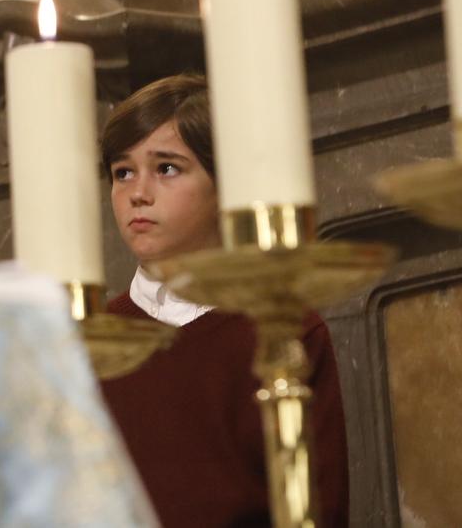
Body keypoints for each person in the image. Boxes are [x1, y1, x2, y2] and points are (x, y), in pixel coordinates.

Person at [97, 75, 349, 528]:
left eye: (167, 168)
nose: (138, 193)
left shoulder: (282, 332)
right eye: (123, 172)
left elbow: (320, 509)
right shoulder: (87, 343)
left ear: (223, 185)